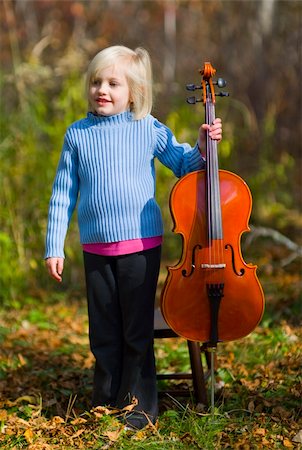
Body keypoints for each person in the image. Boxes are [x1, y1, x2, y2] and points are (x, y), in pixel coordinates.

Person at [45, 45, 222, 430]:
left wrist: (204, 143)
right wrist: (53, 245)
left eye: (112, 83)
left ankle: (140, 406)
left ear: (134, 93)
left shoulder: (147, 127)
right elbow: (63, 193)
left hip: (142, 247)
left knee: (136, 330)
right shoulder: (77, 135)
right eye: (96, 82)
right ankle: (106, 400)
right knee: (104, 330)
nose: (101, 90)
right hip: (95, 247)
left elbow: (183, 164)